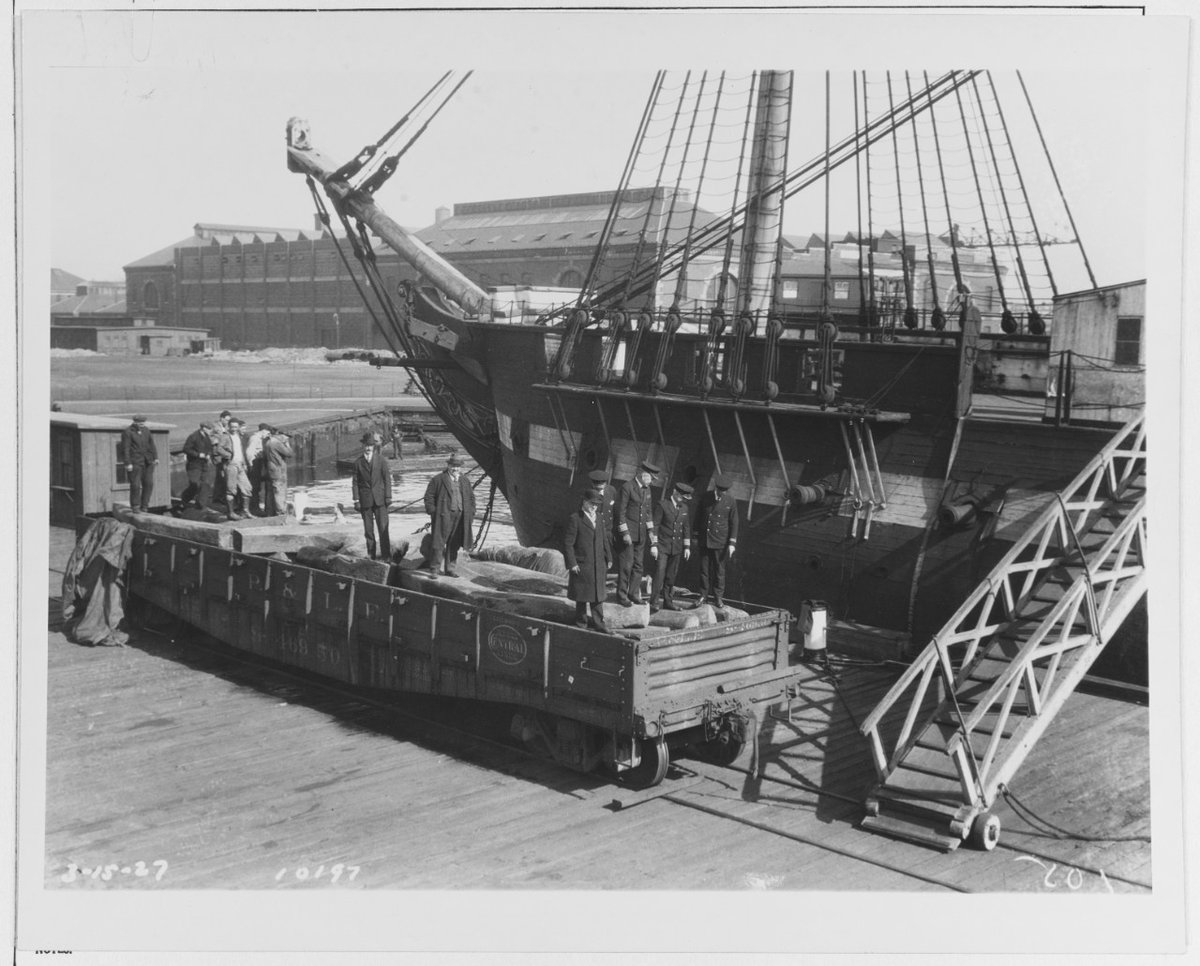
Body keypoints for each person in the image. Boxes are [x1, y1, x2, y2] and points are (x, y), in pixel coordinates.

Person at [564, 488, 611, 632]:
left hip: (598, 563)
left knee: (597, 596)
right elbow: (568, 543)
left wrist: (608, 557)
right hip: (583, 564)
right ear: (584, 502)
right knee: (582, 595)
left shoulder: (599, 518)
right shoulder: (576, 518)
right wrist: (572, 563)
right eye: (592, 504)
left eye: (596, 505)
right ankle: (581, 623)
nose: (594, 507)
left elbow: (604, 540)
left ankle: (599, 624)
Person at [422, 454, 475, 577]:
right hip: (443, 516)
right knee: (439, 543)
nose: (455, 469)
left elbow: (471, 498)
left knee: (454, 543)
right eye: (453, 466)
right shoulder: (438, 479)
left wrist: (471, 513)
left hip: (460, 517)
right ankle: (434, 569)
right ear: (448, 466)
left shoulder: (464, 480)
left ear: (460, 468)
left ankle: (450, 569)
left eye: (457, 466)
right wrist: (433, 512)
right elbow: (428, 497)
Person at [615, 459, 658, 605]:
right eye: (651, 478)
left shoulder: (647, 490)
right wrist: (625, 533)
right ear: (642, 474)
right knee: (626, 565)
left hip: (641, 535)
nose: (651, 482)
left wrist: (651, 532)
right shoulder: (627, 487)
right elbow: (620, 512)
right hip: (628, 535)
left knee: (638, 566)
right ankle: (621, 596)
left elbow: (648, 513)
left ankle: (633, 594)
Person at [696, 472, 739, 609]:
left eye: (724, 491)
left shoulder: (730, 501)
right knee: (704, 570)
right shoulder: (706, 497)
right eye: (720, 491)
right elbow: (698, 516)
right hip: (705, 540)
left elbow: (734, 522)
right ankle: (703, 595)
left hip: (720, 542)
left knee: (719, 571)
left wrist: (732, 543)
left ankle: (718, 597)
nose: (722, 493)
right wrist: (695, 536)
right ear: (717, 488)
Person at [650, 481, 693, 613]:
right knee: (660, 574)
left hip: (676, 548)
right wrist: (654, 545)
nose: (682, 500)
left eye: (684, 498)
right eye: (680, 497)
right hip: (662, 546)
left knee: (671, 576)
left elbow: (686, 528)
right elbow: (655, 526)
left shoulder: (684, 508)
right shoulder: (662, 505)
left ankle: (668, 601)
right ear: (674, 493)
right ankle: (654, 602)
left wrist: (687, 547)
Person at [353, 432, 393, 560]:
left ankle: (386, 555)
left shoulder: (381, 460)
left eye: (370, 445)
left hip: (380, 500)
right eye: (366, 445)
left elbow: (387, 479)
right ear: (363, 446)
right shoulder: (358, 462)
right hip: (365, 501)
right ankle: (371, 554)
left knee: (383, 529)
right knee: (368, 530)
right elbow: (355, 482)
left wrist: (388, 497)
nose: (368, 448)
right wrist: (356, 500)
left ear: (374, 446)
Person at [120, 414, 157, 512]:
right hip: (135, 462)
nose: (142, 424)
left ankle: (144, 506)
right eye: (140, 422)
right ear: (135, 422)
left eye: (143, 422)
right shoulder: (128, 432)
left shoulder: (146, 430)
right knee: (135, 485)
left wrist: (155, 457)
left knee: (149, 483)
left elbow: (152, 444)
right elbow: (125, 449)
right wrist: (128, 463)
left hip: (148, 461)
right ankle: (135, 506)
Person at [218, 417, 253, 520]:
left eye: (236, 427)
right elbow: (218, 449)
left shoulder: (239, 436)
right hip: (231, 465)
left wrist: (244, 463)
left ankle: (245, 511)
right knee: (231, 489)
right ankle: (231, 513)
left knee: (247, 488)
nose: (234, 429)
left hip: (240, 465)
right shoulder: (225, 437)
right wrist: (228, 455)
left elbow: (241, 450)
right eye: (232, 426)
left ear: (238, 427)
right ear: (229, 426)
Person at [179, 421, 217, 510]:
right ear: (203, 428)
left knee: (205, 484)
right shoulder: (193, 436)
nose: (210, 431)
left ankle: (201, 505)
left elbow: (210, 449)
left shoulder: (207, 437)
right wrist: (198, 454)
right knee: (195, 484)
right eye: (209, 429)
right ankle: (185, 498)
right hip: (194, 464)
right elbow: (186, 449)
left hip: (204, 464)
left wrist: (208, 454)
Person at [587, 468, 617, 567]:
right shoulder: (589, 494)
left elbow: (615, 511)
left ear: (605, 484)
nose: (599, 490)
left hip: (608, 533)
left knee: (605, 561)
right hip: (594, 532)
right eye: (597, 488)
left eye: (601, 487)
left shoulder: (611, 491)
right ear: (592, 485)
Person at [262, 427, 294, 517]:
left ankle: (270, 512)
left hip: (271, 468)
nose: (286, 438)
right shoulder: (276, 443)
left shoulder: (268, 442)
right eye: (286, 436)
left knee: (272, 491)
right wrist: (287, 444)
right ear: (280, 434)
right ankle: (281, 512)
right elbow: (289, 454)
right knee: (279, 491)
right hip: (278, 469)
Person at [244, 422, 272, 515]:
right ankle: (254, 508)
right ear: (263, 431)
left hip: (258, 464)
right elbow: (249, 452)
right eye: (268, 433)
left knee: (257, 487)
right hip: (254, 465)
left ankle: (256, 507)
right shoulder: (254, 438)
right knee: (254, 487)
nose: (268, 435)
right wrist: (251, 465)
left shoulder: (260, 439)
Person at [212, 410, 234, 506]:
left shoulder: (227, 427)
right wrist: (217, 441)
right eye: (226, 420)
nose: (227, 422)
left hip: (224, 454)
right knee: (221, 475)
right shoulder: (215, 426)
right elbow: (212, 438)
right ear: (221, 418)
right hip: (218, 454)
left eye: (229, 420)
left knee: (224, 475)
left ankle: (220, 496)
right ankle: (218, 497)